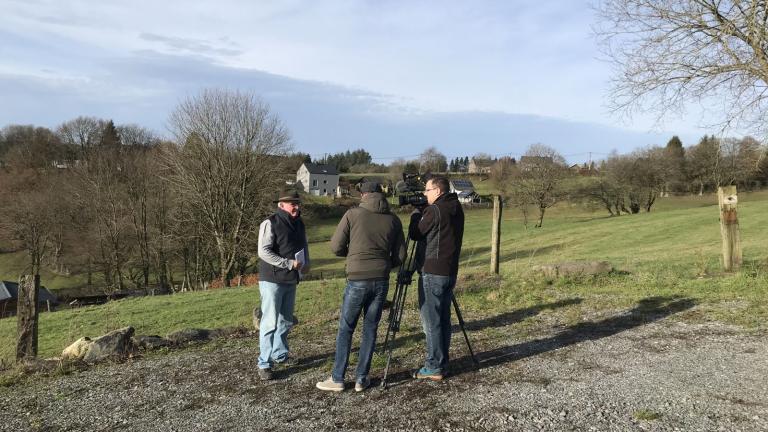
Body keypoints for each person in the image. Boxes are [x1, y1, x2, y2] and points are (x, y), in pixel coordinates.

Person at [316, 182, 406, 392]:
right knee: (370, 328)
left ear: (364, 194)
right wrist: (384, 264)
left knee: (346, 327)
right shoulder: (393, 219)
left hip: (357, 277)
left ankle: (338, 378)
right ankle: (361, 378)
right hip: (381, 279)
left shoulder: (352, 214)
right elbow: (400, 255)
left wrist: (353, 257)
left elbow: (336, 246)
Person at [407, 175, 464, 381]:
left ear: (438, 191)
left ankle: (433, 365)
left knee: (432, 321)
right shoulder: (456, 208)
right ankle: (442, 361)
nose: (425, 194)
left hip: (433, 270)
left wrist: (416, 214)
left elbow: (416, 233)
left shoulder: (434, 210)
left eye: (428, 190)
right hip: (450, 270)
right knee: (443, 319)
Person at [256, 188, 310, 381]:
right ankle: (264, 363)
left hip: (291, 279)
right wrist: (288, 264)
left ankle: (280, 354)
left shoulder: (299, 224)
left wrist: (306, 264)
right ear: (281, 205)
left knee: (286, 321)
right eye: (292, 203)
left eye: (297, 203)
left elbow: (303, 246)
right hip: (272, 280)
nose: (296, 206)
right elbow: (263, 252)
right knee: (269, 322)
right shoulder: (270, 223)